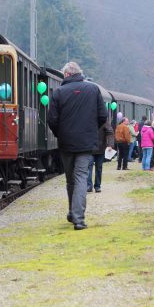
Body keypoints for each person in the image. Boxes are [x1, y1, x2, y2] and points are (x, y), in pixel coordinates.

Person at [47, 61, 107, 231]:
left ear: (66, 74)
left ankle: (73, 213)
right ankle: (78, 218)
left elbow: (52, 119)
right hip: (86, 143)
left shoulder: (59, 92)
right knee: (81, 177)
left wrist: (60, 133)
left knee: (70, 179)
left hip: (66, 142)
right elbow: (103, 116)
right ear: (78, 73)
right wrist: (90, 130)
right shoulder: (93, 89)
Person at [87, 114, 114, 192]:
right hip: (89, 148)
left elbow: (110, 132)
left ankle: (97, 186)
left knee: (98, 168)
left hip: (100, 148)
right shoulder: (87, 118)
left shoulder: (104, 120)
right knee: (89, 167)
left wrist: (110, 145)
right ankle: (89, 185)